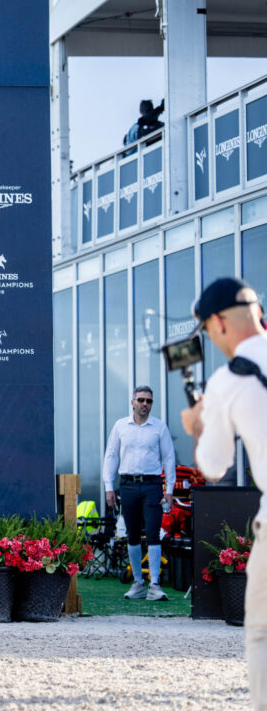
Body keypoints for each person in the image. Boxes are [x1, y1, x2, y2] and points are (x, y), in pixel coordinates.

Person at [181, 277, 267, 709]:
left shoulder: (227, 381)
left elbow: (213, 467)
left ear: (218, 323)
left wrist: (197, 422)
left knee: (263, 634)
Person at [103, 385, 175, 601]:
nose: (145, 404)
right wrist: (109, 486)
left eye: (149, 401)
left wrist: (169, 490)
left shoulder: (159, 428)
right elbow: (111, 456)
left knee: (153, 532)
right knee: (132, 534)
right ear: (132, 402)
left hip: (152, 485)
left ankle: (154, 585)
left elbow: (169, 458)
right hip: (128, 485)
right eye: (141, 400)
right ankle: (138, 583)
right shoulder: (120, 426)